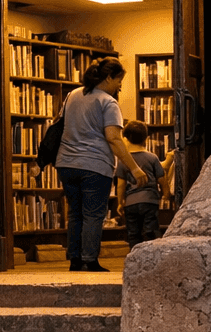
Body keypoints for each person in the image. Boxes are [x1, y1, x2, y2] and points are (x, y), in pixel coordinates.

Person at [54, 57, 149, 271]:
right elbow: (114, 138)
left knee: (75, 213)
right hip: (94, 165)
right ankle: (90, 259)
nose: (119, 86)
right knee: (93, 214)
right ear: (108, 78)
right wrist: (134, 167)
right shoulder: (108, 102)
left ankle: (75, 259)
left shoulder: (72, 95)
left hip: (67, 163)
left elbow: (60, 124)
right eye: (118, 81)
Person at [114, 121, 168, 247]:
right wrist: (166, 194)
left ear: (125, 138)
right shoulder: (152, 157)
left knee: (133, 233)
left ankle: (134, 257)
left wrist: (120, 202)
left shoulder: (123, 160)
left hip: (131, 202)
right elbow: (162, 179)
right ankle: (151, 256)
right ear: (146, 138)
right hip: (149, 201)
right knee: (150, 231)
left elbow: (121, 184)